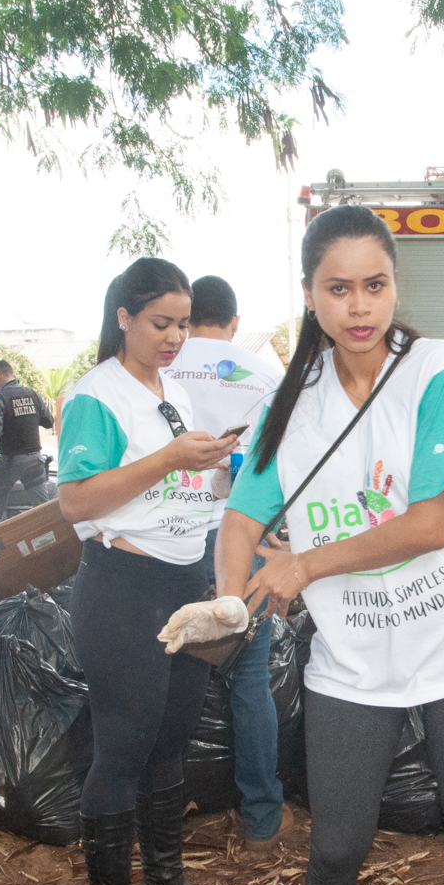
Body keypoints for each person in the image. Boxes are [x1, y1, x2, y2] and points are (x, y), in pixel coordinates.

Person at [219, 205, 444, 885]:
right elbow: (239, 518)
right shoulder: (291, 403)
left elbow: (430, 523)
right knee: (335, 849)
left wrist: (306, 564)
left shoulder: (438, 370)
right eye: (337, 289)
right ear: (309, 294)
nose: (358, 307)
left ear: (395, 285)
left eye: (374, 285)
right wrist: (229, 600)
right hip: (355, 666)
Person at [57, 258, 238, 885]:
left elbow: (184, 483)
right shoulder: (96, 397)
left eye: (184, 324)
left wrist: (218, 469)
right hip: (122, 585)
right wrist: (169, 460)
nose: (174, 337)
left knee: (173, 738)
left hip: (184, 579)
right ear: (123, 316)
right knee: (123, 746)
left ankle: (165, 883)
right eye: (161, 322)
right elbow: (76, 501)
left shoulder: (173, 393)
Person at [164, 274, 291, 854]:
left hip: (165, 540)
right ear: (235, 322)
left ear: (190, 318)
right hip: (239, 537)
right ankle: (262, 817)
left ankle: (162, 807)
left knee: (168, 670)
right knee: (247, 681)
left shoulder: (154, 362)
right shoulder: (265, 377)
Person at [0, 359, 53, 527]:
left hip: (9, 461)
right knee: (44, 510)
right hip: (34, 461)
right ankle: (54, 543)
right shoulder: (33, 394)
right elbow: (48, 422)